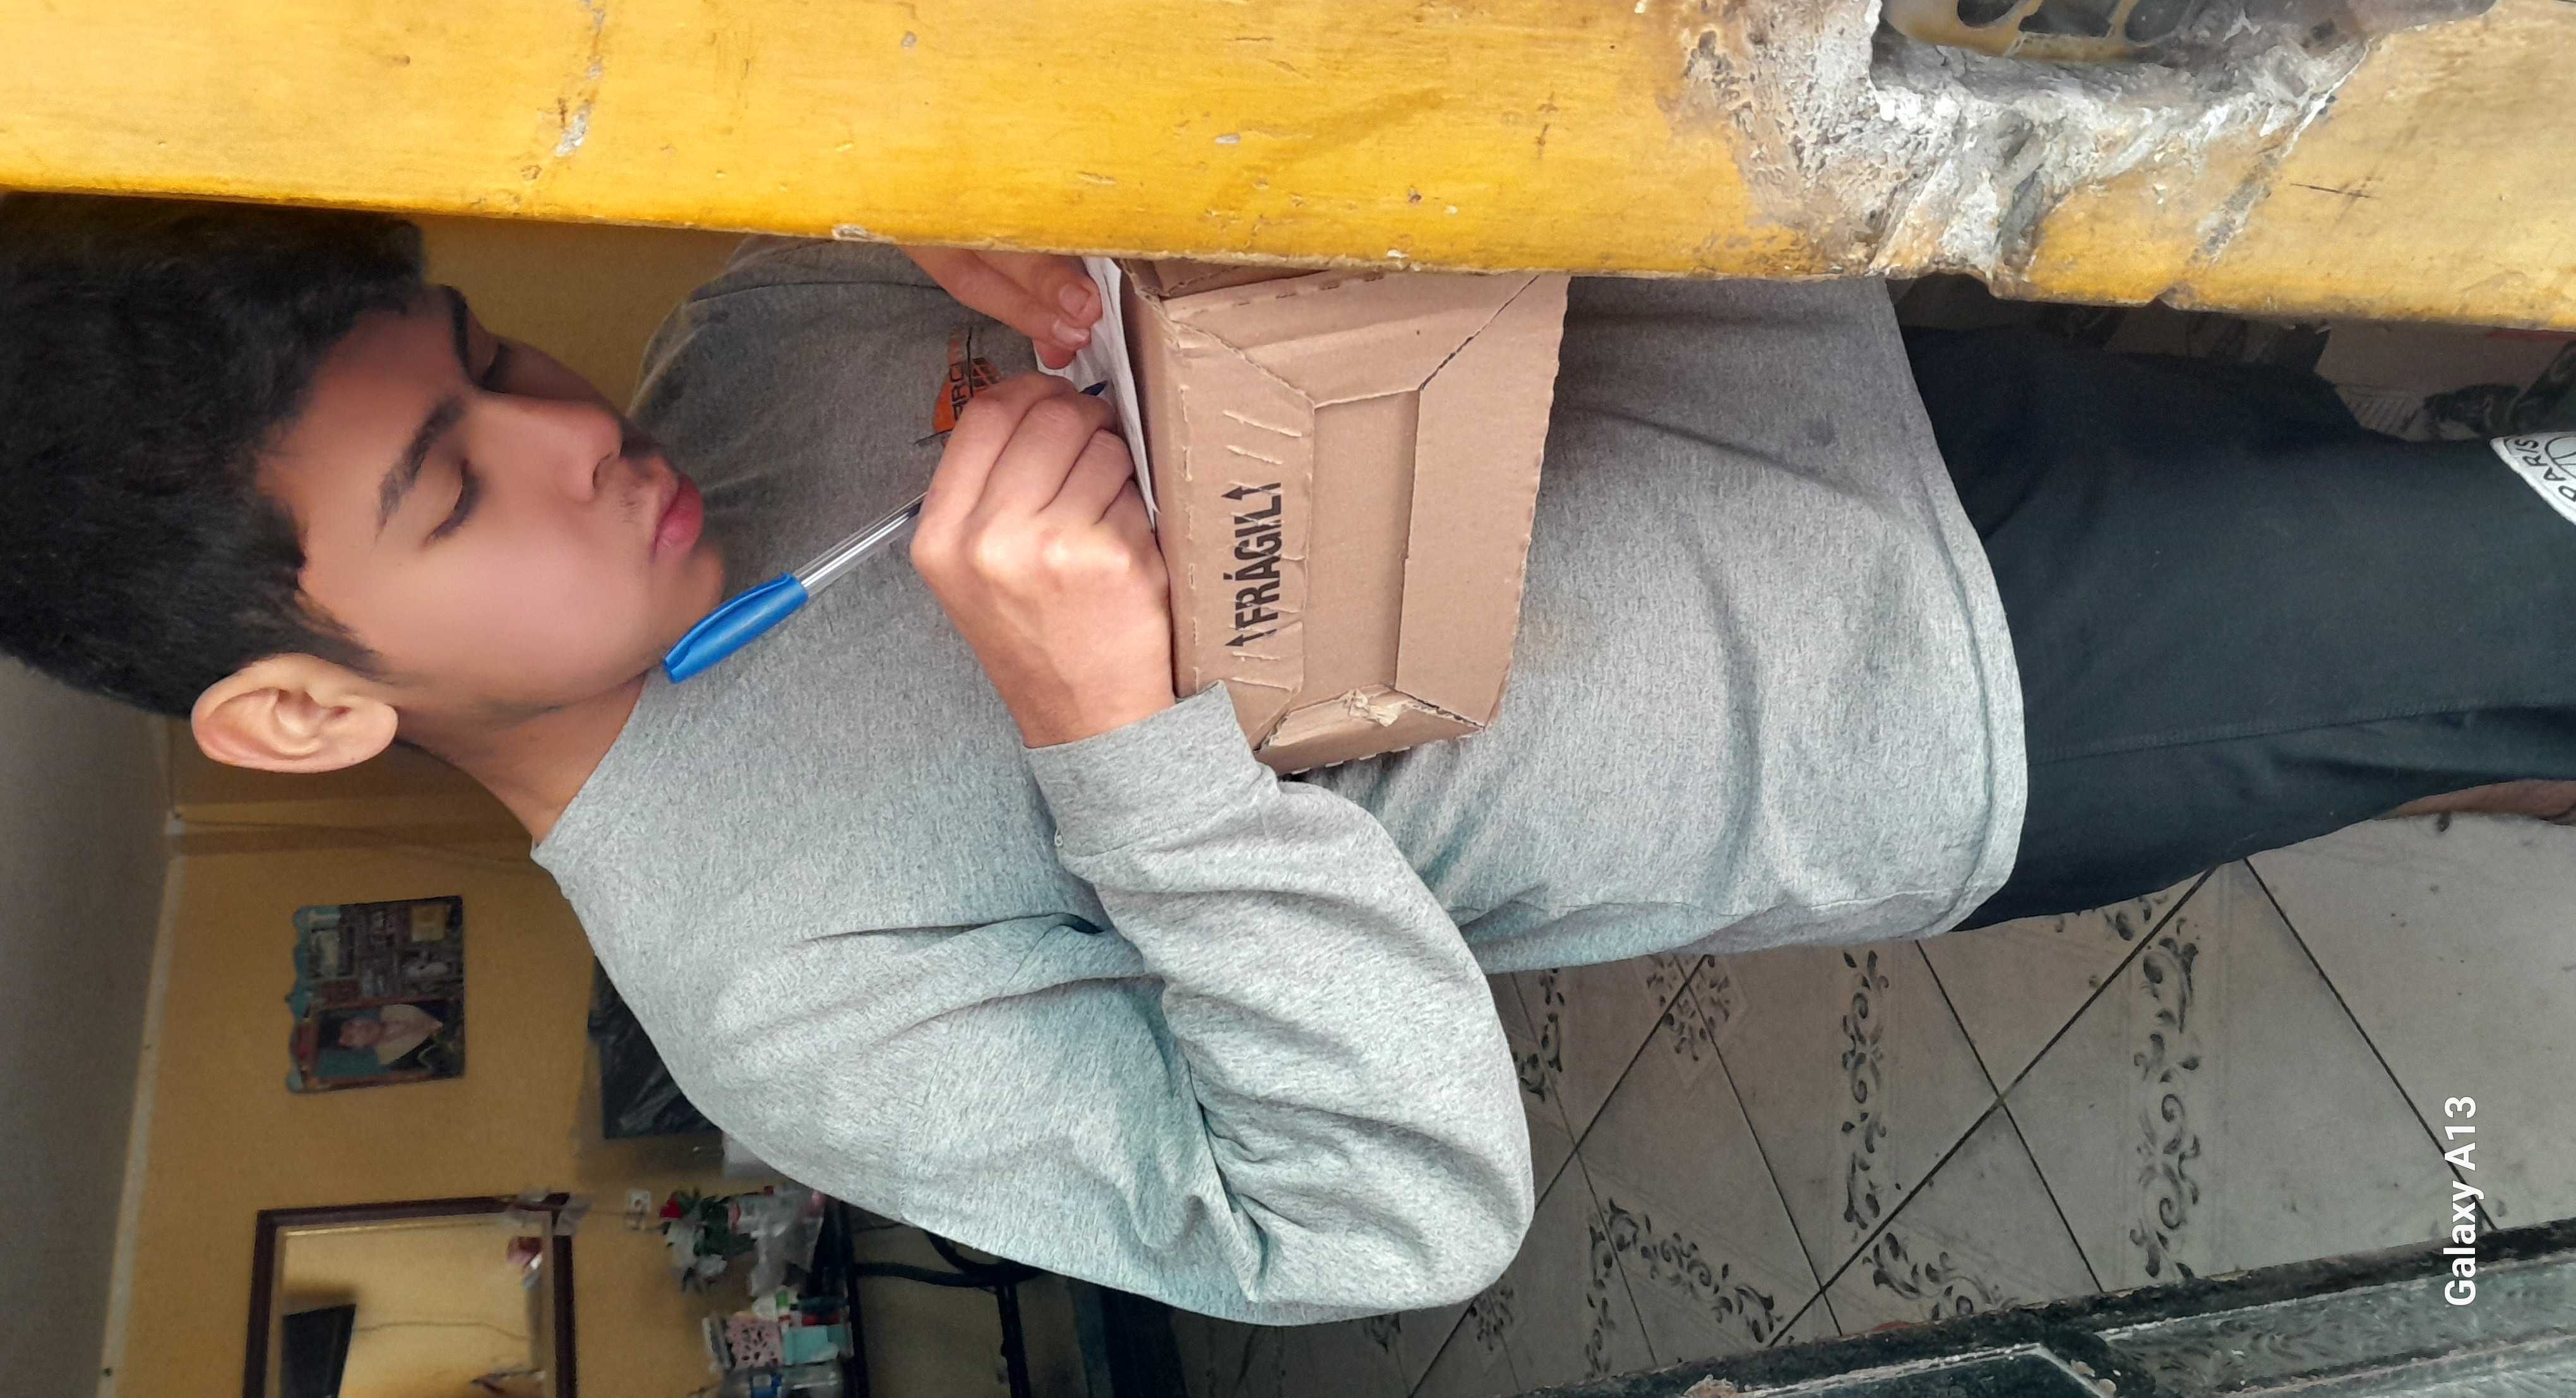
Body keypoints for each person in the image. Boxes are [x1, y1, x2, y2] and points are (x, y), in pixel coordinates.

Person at [2, 193, 2568, 1324]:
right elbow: (1378, 1224)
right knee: (2513, 584)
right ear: (309, 708)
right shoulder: (779, 1007)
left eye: (488, 360)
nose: (574, 435)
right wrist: (1126, 748)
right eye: (458, 494)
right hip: (1941, 694)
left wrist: (984, 209)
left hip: (1841, 364)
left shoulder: (740, 342)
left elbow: (1056, 176)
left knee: (2387, 453)